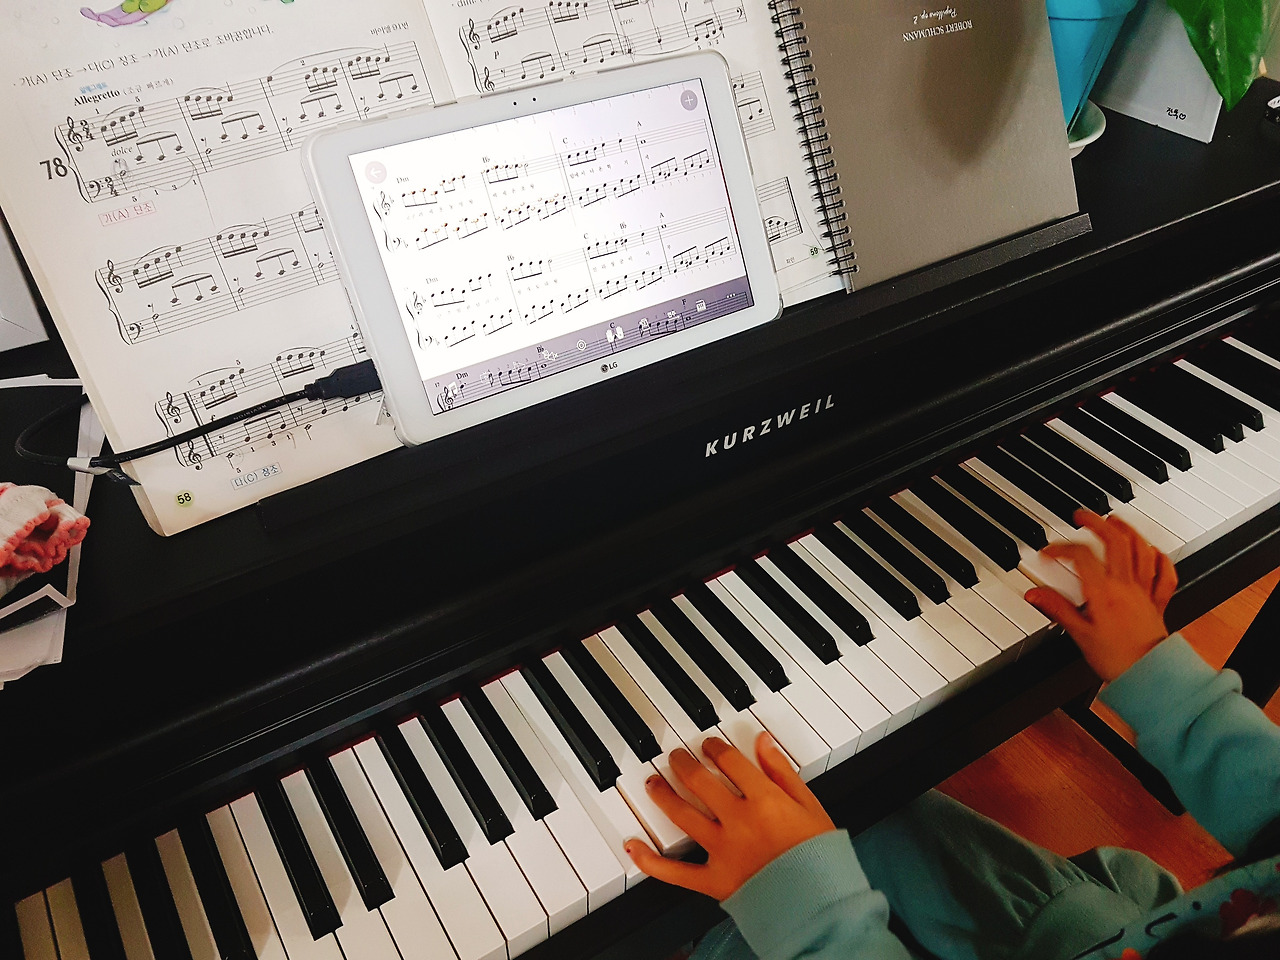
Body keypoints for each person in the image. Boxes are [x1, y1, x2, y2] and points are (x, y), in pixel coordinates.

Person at [625, 511, 1280, 960]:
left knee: (749, 904)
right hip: (1082, 929)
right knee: (859, 806)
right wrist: (1167, 682)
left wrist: (813, 921)